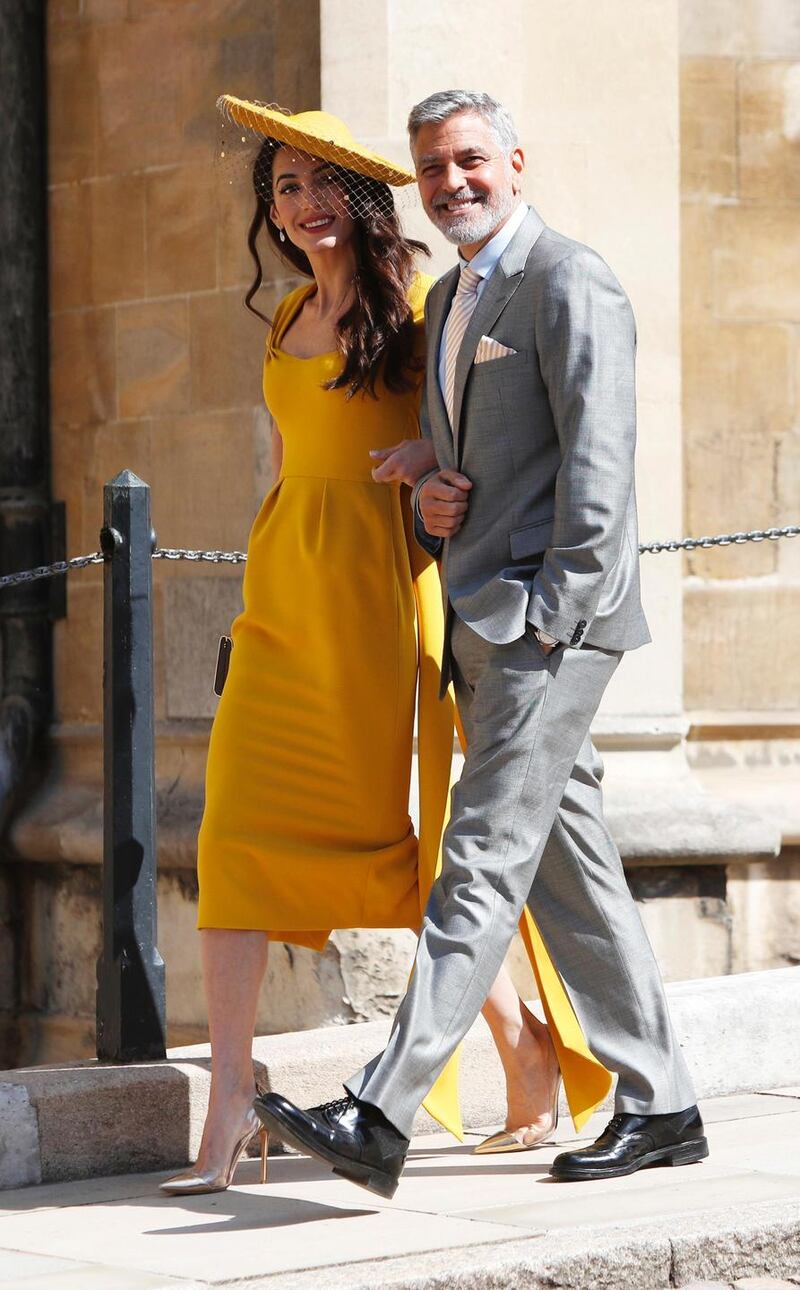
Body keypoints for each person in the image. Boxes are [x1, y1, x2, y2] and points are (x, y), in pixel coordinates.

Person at [255, 90, 709, 1197]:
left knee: (479, 860)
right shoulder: (456, 291)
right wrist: (431, 487)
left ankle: (379, 1107)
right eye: (430, 169)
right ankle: (661, 1104)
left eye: (468, 161)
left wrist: (556, 618)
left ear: (514, 159)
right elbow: (491, 468)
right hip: (487, 619)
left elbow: (601, 476)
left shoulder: (569, 279)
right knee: (570, 872)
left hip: (546, 629)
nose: (450, 183)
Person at [160, 99, 610, 1196]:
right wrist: (254, 598)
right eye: (282, 188)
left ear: (361, 197)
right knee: (231, 838)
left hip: (377, 596)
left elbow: (484, 436)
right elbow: (284, 465)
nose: (301, 205)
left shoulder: (421, 305)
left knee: (403, 846)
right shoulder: (284, 318)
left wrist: (431, 464)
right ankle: (227, 1100)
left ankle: (525, 1048)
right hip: (282, 602)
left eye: (320, 184)